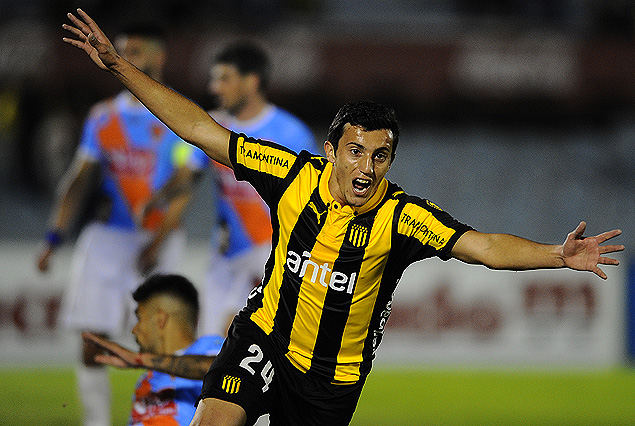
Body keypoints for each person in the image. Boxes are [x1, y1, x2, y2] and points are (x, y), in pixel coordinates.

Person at [62, 10, 625, 426]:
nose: (366, 168)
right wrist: (118, 67)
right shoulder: (290, 172)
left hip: (330, 383)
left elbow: (483, 247)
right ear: (331, 150)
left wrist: (557, 254)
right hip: (263, 340)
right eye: (356, 151)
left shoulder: (402, 217)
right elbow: (202, 131)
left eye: (380, 156)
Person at [39, 19, 201, 426]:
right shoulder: (103, 117)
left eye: (134, 52)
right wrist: (53, 237)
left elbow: (185, 182)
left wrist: (158, 240)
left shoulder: (178, 115)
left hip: (161, 240)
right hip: (109, 237)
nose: (123, 58)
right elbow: (78, 180)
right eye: (122, 50)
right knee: (91, 341)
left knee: (167, 344)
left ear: (158, 56)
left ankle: (165, 419)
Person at [192, 41, 317, 336]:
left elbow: (312, 202)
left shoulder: (291, 133)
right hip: (224, 257)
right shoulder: (215, 127)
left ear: (251, 82)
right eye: (213, 79)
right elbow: (186, 175)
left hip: (271, 255)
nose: (215, 88)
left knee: (238, 344)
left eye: (224, 78)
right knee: (208, 351)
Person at [83, 273, 225, 426]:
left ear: (160, 319)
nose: (134, 330)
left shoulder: (211, 347)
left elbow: (225, 371)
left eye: (139, 318)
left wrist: (141, 359)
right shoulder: (147, 380)